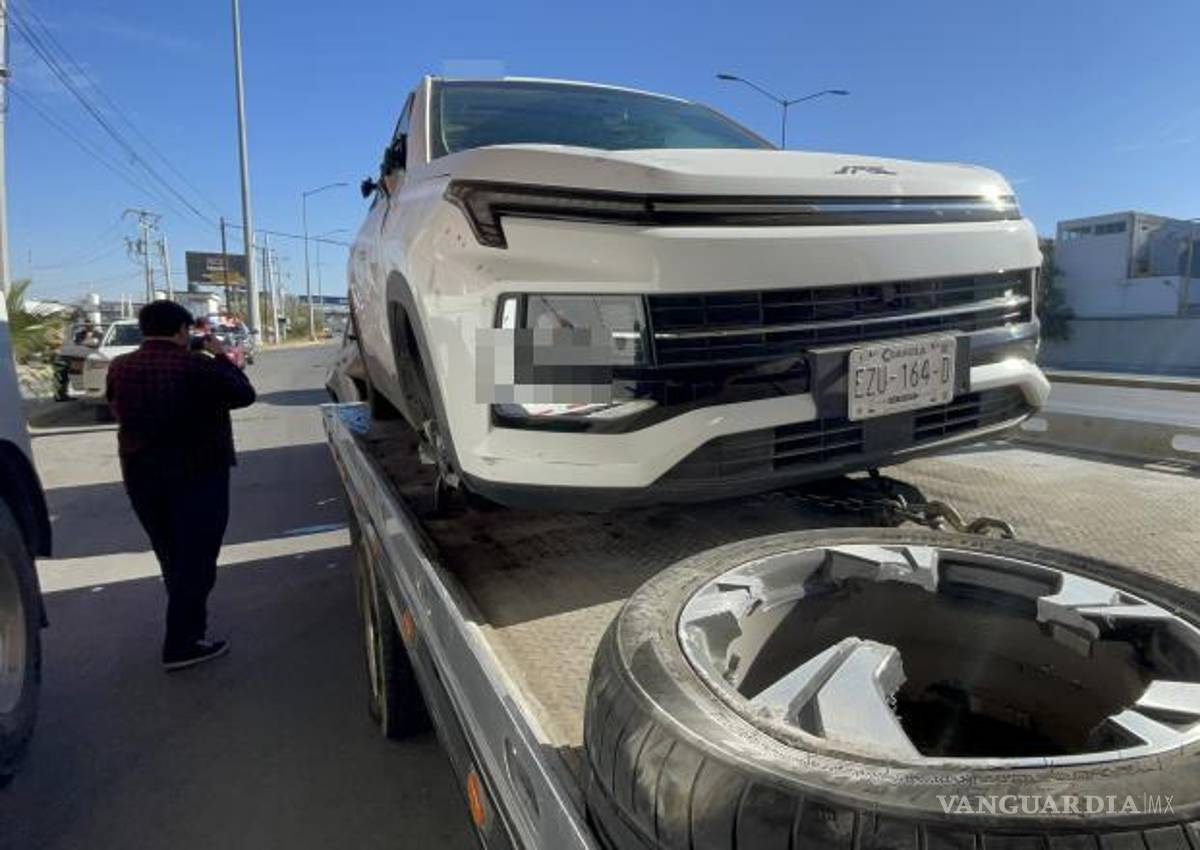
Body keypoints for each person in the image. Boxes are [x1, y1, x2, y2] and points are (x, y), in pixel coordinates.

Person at [106, 300, 256, 670]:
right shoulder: (196, 366)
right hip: (198, 472)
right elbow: (243, 394)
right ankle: (182, 643)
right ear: (181, 330)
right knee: (198, 559)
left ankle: (190, 627)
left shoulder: (120, 367)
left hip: (142, 475)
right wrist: (221, 355)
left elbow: (115, 406)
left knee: (171, 554)